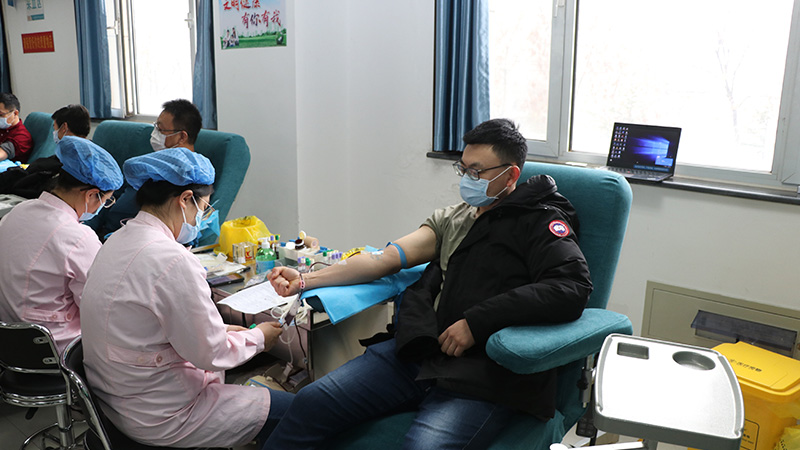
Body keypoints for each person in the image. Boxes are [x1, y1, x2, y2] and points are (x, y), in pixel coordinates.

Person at [265, 118, 593, 449]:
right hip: (421, 351)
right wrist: (305, 280)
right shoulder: (454, 218)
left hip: (483, 372)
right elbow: (383, 260)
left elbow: (571, 287)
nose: (467, 179)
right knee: (312, 401)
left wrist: (477, 323)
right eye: (463, 169)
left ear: (510, 176)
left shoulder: (540, 222)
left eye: (477, 172)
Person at [80, 147, 292, 448]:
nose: (201, 216)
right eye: (203, 206)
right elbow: (210, 353)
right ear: (185, 199)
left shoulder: (117, 240)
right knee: (297, 411)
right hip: (164, 415)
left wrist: (220, 330)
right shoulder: (171, 260)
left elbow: (146, 325)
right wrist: (260, 338)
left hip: (115, 403)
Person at [0, 136, 122, 353]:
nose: (101, 208)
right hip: (57, 348)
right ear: (91, 195)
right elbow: (98, 309)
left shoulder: (17, 211)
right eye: (105, 201)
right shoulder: (78, 237)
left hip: (9, 340)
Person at [93, 99, 204, 237]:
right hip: (106, 233)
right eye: (156, 127)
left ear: (182, 136)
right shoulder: (149, 164)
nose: (154, 134)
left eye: (161, 130)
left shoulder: (192, 176)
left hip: (138, 237)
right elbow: (111, 194)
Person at [0, 93, 33, 163]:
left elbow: (1, 154)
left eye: (0, 114)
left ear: (15, 113)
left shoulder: (21, 137)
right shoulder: (3, 128)